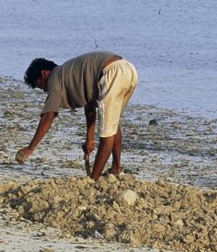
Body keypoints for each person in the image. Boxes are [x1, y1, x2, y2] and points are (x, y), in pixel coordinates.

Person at [16, 51, 138, 181]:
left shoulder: (55, 78)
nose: (45, 90)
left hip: (113, 72)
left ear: (44, 73)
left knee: (106, 133)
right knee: (112, 122)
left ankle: (93, 179)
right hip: (129, 70)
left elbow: (48, 115)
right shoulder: (69, 73)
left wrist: (30, 148)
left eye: (41, 86)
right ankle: (116, 169)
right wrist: (89, 138)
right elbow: (90, 107)